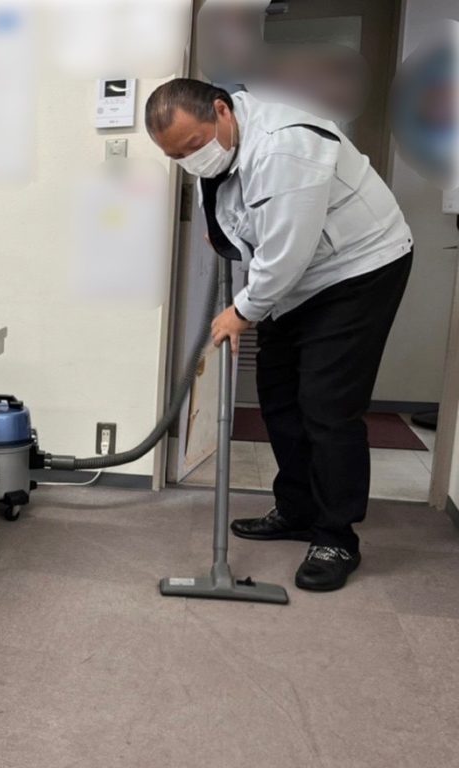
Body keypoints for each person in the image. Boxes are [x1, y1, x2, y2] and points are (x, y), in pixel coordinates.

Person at [145, 78, 414, 592]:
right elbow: (248, 221)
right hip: (296, 281)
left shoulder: (285, 145)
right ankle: (297, 509)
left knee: (327, 406)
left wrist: (242, 312)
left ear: (222, 111)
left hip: (359, 269)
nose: (189, 160)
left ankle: (336, 536)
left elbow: (287, 249)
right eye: (175, 156)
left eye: (193, 145)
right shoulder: (223, 149)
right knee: (280, 400)